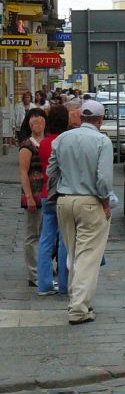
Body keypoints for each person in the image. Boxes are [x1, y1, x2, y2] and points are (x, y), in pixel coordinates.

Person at [48, 100, 114, 325]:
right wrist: (105, 203)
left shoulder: (61, 139)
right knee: (88, 256)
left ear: (80, 118)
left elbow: (51, 171)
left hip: (64, 201)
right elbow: (103, 179)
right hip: (90, 202)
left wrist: (58, 193)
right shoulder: (102, 141)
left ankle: (78, 299)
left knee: (74, 254)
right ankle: (78, 308)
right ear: (100, 120)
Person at [36, 105, 69, 296]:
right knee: (64, 239)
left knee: (46, 239)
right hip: (62, 193)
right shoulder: (65, 141)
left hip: (45, 193)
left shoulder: (44, 143)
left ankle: (44, 284)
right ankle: (64, 284)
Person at [18, 107, 47, 286]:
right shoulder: (27, 145)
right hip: (34, 193)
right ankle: (33, 273)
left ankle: (43, 268)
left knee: (46, 233)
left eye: (40, 118)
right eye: (33, 118)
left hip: (48, 192)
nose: (37, 121)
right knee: (32, 234)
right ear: (28, 123)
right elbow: (23, 173)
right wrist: (28, 196)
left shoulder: (49, 141)